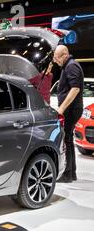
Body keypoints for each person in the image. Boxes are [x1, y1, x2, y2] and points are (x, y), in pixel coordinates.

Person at [53, 45, 84, 183]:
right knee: (68, 140)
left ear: (65, 55)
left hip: (71, 110)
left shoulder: (71, 66)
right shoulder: (69, 65)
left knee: (67, 140)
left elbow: (75, 88)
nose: (55, 61)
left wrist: (61, 109)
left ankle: (67, 174)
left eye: (57, 57)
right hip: (71, 109)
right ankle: (70, 174)